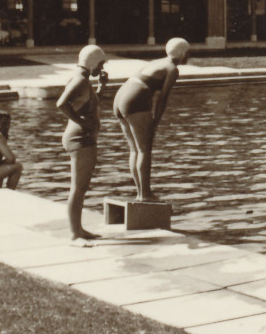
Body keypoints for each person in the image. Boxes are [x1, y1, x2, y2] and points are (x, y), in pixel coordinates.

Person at [113, 37, 189, 201]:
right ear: (182, 53)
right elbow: (163, 98)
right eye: (188, 52)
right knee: (144, 149)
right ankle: (145, 194)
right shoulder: (172, 69)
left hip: (120, 97)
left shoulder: (158, 62)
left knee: (135, 150)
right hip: (134, 99)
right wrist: (155, 123)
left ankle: (140, 193)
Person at [57, 45, 108, 240]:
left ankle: (78, 229)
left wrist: (101, 87)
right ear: (93, 62)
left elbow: (89, 104)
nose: (101, 68)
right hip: (80, 138)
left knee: (81, 187)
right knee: (78, 188)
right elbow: (61, 104)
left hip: (84, 138)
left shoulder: (84, 80)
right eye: (101, 64)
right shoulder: (79, 80)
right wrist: (82, 123)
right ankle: (75, 233)